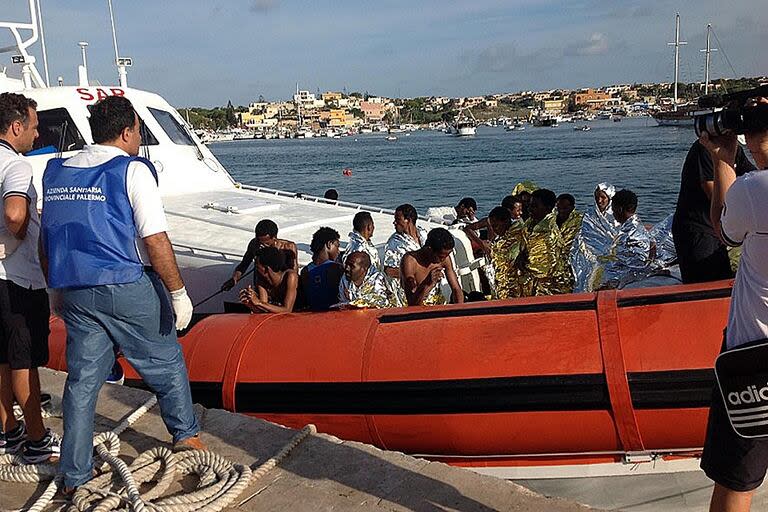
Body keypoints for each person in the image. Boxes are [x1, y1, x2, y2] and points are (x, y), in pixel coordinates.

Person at [40, 96, 202, 492]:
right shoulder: (132, 171)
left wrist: (54, 289)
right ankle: (186, 435)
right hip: (124, 283)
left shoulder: (56, 171)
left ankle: (73, 473)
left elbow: (48, 237)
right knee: (164, 360)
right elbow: (155, 239)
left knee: (82, 382)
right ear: (128, 132)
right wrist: (178, 293)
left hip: (74, 289)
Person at [698, 101, 768, 512]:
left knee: (736, 482)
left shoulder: (754, 189)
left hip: (754, 358)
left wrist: (725, 160)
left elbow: (724, 230)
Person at [0, 92, 59, 463]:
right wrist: (16, 236)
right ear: (17, 126)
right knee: (24, 361)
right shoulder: (17, 166)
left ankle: (8, 431)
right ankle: (37, 440)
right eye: (34, 127)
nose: (37, 136)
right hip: (17, 279)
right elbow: (15, 213)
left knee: (1, 359)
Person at [672, 140, 755, 283]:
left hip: (716, 229)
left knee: (721, 276)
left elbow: (753, 177)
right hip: (697, 229)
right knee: (703, 283)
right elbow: (713, 191)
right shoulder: (705, 148)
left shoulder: (734, 149)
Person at [596, 189, 653, 290]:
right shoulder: (635, 227)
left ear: (619, 209)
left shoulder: (632, 234)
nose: (612, 213)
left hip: (625, 285)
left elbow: (637, 268)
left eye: (613, 209)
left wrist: (613, 284)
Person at [464, 206, 525, 300]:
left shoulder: (519, 234)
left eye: (496, 226)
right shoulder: (499, 237)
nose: (494, 229)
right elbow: (467, 228)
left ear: (506, 221)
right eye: (492, 226)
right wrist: (482, 244)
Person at [570, 182, 622, 292]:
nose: (599, 201)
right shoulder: (590, 214)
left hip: (612, 257)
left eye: (603, 197)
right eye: (597, 197)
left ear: (610, 198)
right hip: (591, 256)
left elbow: (618, 238)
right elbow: (583, 235)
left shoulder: (617, 216)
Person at [520, 189, 570, 296]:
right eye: (530, 205)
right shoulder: (530, 224)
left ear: (548, 209)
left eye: (535, 206)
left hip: (548, 288)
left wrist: (523, 265)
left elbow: (545, 267)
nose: (529, 209)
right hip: (532, 285)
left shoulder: (548, 232)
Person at [400, 228, 464, 306]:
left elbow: (456, 288)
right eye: (441, 257)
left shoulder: (445, 258)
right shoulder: (410, 261)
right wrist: (427, 283)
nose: (443, 260)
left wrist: (460, 309)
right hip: (411, 309)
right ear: (429, 250)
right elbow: (411, 302)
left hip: (437, 306)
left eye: (447, 255)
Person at [226, 219, 298, 289]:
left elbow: (294, 273)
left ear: (274, 237)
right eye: (259, 241)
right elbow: (244, 264)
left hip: (281, 288)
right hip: (261, 286)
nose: (261, 245)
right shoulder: (254, 244)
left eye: (266, 243)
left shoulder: (288, 247)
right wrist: (234, 279)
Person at [239, 246, 298, 313]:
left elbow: (287, 309)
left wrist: (258, 302)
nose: (256, 268)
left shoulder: (290, 276)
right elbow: (263, 310)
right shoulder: (261, 280)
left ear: (266, 269)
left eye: (257, 266)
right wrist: (250, 303)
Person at [299, 226, 344, 311]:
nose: (338, 251)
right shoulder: (336, 268)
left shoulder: (305, 271)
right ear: (329, 244)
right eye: (337, 246)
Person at [337, 252, 403, 309]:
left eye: (351, 266)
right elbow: (343, 303)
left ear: (364, 269)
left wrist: (352, 300)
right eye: (346, 264)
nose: (347, 268)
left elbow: (380, 303)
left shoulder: (377, 279)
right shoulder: (345, 278)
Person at [383, 204, 428, 279]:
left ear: (408, 220)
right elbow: (389, 271)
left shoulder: (424, 234)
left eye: (397, 219)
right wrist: (417, 274)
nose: (394, 222)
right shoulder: (394, 242)